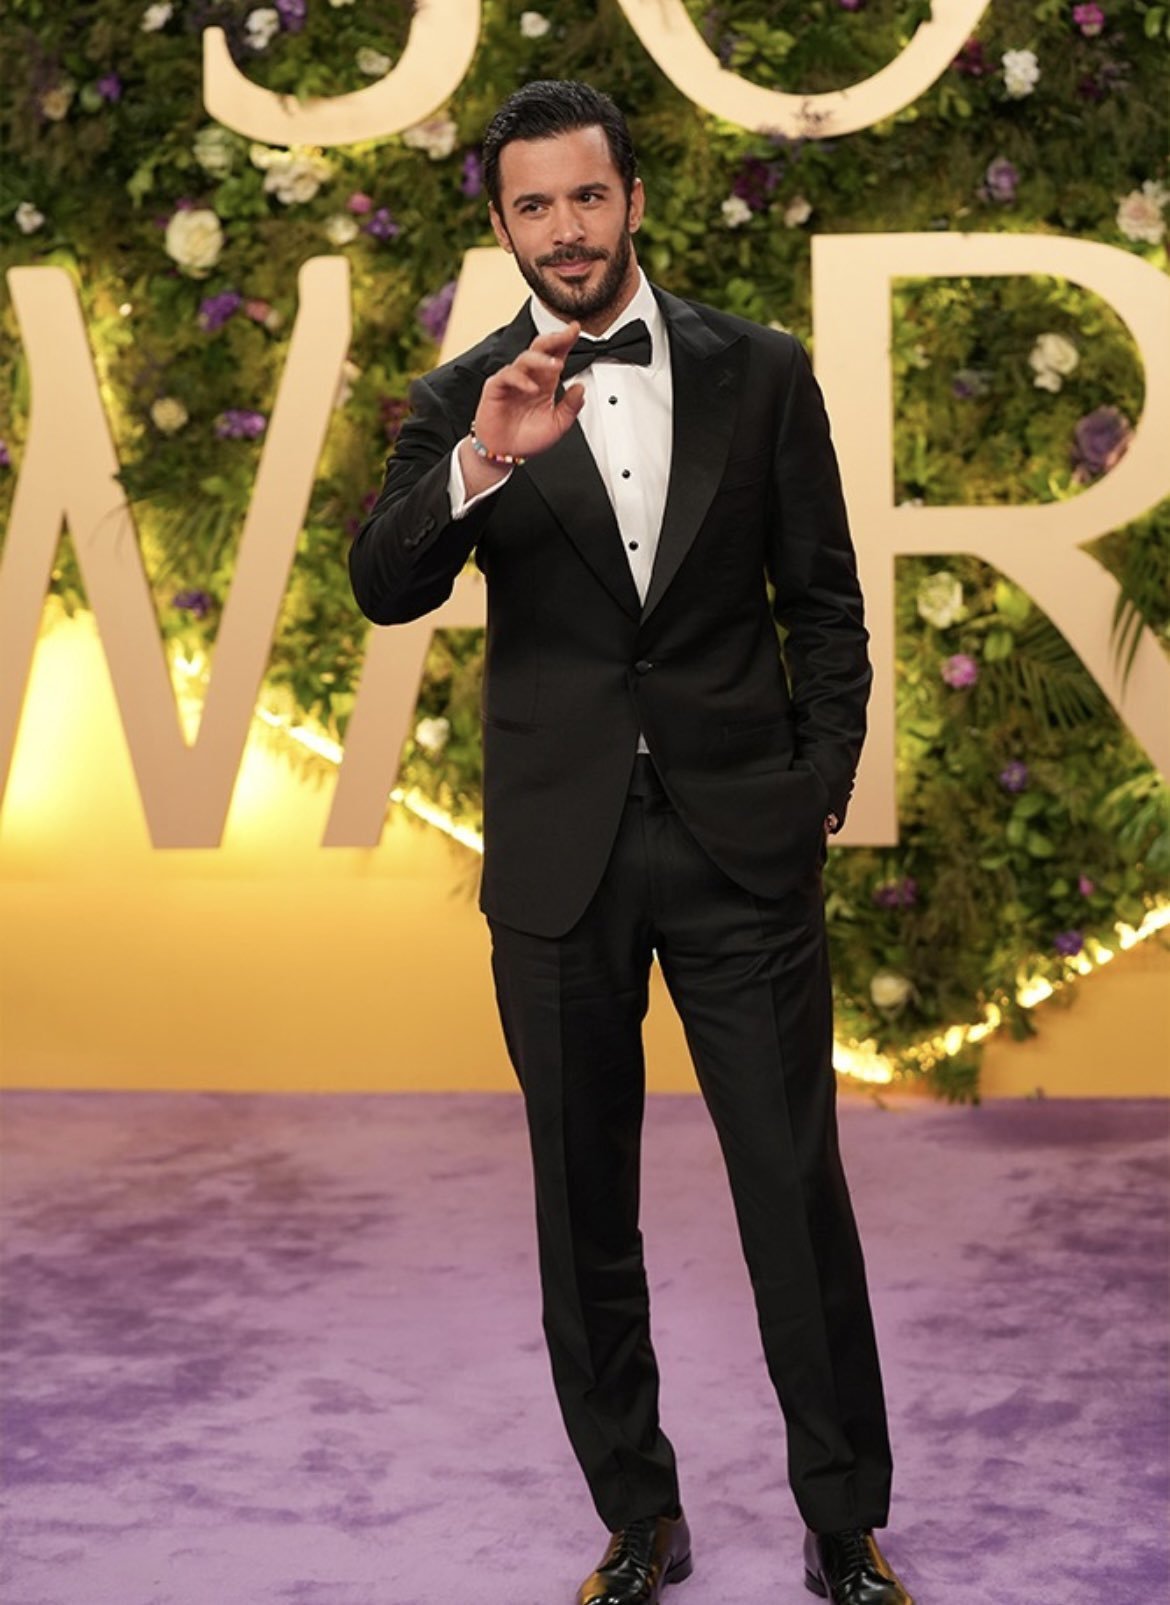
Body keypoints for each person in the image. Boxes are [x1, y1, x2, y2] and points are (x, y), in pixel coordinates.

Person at [348, 78, 912, 1605]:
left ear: (633, 201)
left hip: (742, 848)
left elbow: (826, 606)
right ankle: (637, 1516)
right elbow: (384, 586)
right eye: (533, 204)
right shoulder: (462, 399)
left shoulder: (761, 370)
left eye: (586, 196)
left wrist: (811, 790)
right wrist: (482, 461)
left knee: (791, 1191)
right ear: (501, 225)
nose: (565, 228)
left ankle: (841, 1521)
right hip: (560, 860)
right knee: (579, 1203)